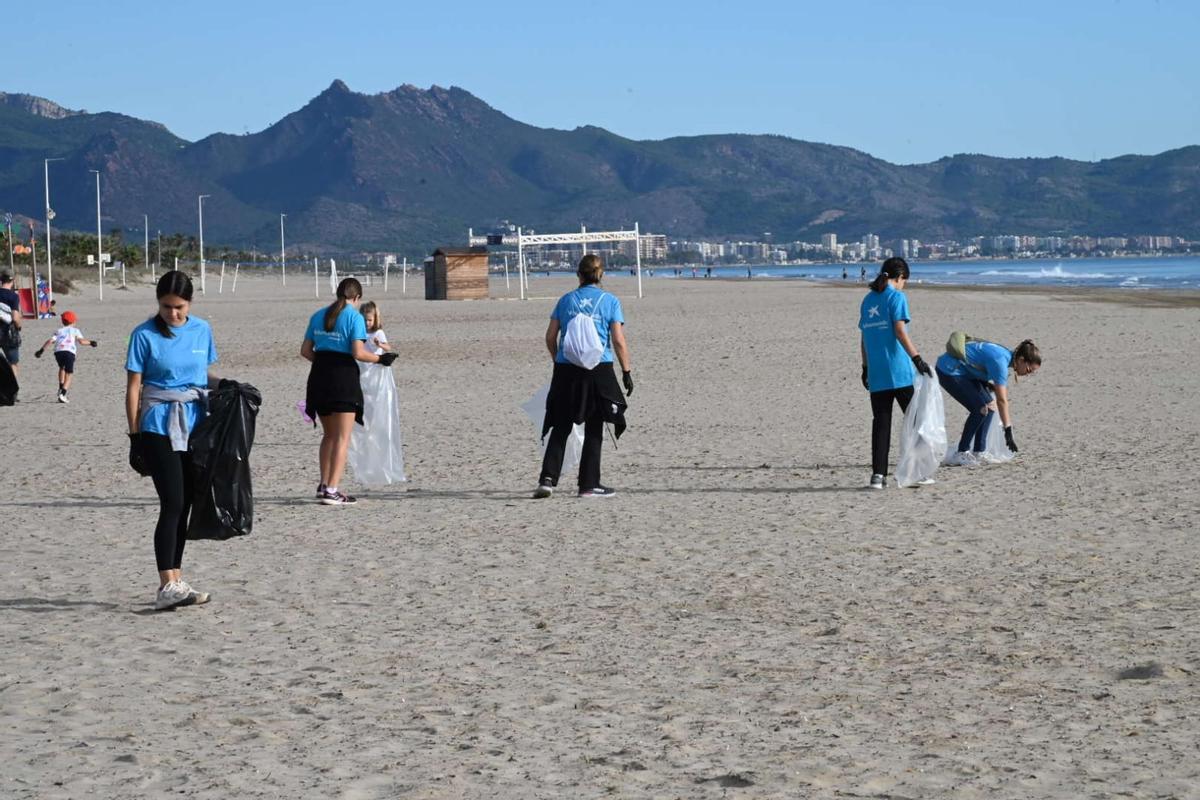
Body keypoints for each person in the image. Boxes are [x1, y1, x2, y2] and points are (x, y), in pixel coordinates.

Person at [125, 271, 218, 611]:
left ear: (189, 304)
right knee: (173, 502)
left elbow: (201, 374)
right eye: (166, 307)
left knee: (188, 503)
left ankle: (176, 580)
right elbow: (134, 387)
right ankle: (166, 584)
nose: (173, 314)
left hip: (194, 423)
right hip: (156, 424)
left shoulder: (202, 330)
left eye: (178, 307)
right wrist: (134, 437)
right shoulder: (144, 335)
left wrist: (229, 386)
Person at [534, 254, 632, 498]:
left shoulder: (566, 300)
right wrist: (626, 371)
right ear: (601, 275)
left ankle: (547, 480)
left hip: (567, 370)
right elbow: (618, 341)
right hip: (599, 368)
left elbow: (549, 337)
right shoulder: (610, 301)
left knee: (561, 424)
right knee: (595, 426)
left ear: (579, 275)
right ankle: (588, 484)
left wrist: (559, 360)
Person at [301, 278, 396, 505]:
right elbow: (358, 352)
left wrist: (324, 362)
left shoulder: (318, 315)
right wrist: (380, 359)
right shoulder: (354, 317)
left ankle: (323, 484)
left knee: (329, 435)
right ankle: (333, 490)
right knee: (343, 437)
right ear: (357, 298)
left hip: (319, 376)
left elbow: (305, 350)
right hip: (342, 378)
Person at [859, 257, 933, 489]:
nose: (904, 286)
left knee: (881, 424)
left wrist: (865, 367)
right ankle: (918, 472)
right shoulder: (897, 297)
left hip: (878, 371)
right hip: (899, 371)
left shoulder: (868, 300)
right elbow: (900, 331)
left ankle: (878, 477)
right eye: (904, 281)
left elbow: (863, 338)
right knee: (915, 420)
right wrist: (917, 358)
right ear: (899, 277)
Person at [936, 338, 1041, 463]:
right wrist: (1007, 429)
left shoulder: (1006, 355)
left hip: (965, 372)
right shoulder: (1001, 362)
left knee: (990, 406)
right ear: (1021, 360)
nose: (1027, 374)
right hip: (948, 370)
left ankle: (979, 451)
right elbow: (1002, 400)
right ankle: (961, 452)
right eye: (1029, 370)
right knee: (980, 409)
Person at [34, 310, 98, 403]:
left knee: (62, 367)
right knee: (69, 374)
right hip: (69, 352)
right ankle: (63, 394)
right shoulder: (76, 331)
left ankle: (60, 387)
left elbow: (50, 341)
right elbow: (81, 342)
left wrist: (41, 350)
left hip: (58, 352)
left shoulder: (59, 331)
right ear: (73, 322)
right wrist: (91, 342)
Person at [0, 271, 22, 382]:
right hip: (8, 332)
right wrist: (19, 326)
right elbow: (15, 317)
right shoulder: (13, 296)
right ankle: (12, 391)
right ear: (12, 282)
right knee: (13, 362)